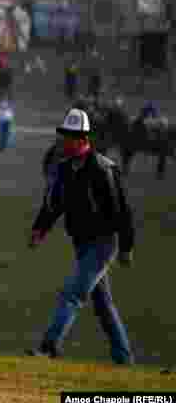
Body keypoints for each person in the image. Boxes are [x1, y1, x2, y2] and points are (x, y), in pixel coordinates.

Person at [27, 108, 135, 365]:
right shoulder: (64, 169)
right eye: (64, 135)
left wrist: (126, 247)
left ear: (82, 139)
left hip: (103, 244)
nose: (64, 141)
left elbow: (121, 210)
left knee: (72, 294)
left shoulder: (102, 169)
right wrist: (39, 229)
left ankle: (49, 348)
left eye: (69, 136)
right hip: (81, 243)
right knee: (103, 305)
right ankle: (124, 359)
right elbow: (53, 205)